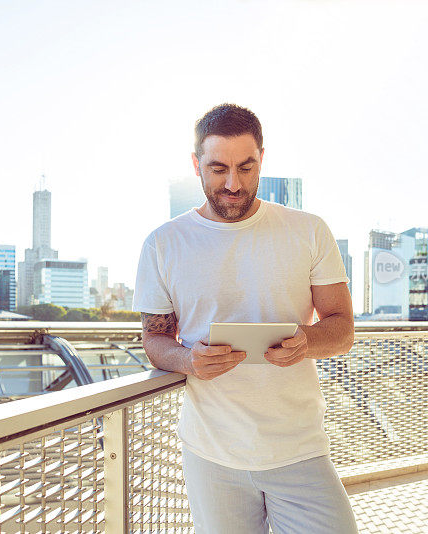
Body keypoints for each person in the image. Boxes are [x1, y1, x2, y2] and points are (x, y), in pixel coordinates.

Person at [132, 103, 358, 533]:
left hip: (300, 448)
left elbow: (342, 329)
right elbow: (154, 339)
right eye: (218, 169)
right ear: (195, 164)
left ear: (261, 160)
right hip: (212, 453)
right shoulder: (163, 244)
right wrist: (186, 360)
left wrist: (307, 341)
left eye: (246, 167)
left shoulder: (309, 230)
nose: (233, 184)